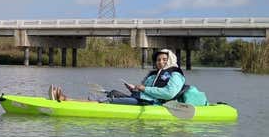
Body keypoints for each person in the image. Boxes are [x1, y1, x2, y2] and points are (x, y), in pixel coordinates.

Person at [50, 48, 208, 106]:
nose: (160, 62)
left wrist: (143, 89)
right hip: (142, 99)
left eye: (164, 60)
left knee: (108, 100)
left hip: (153, 105)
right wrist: (134, 89)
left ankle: (66, 100)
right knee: (112, 92)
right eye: (158, 60)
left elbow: (169, 93)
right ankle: (68, 99)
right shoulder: (154, 75)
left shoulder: (175, 74)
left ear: (170, 60)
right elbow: (145, 90)